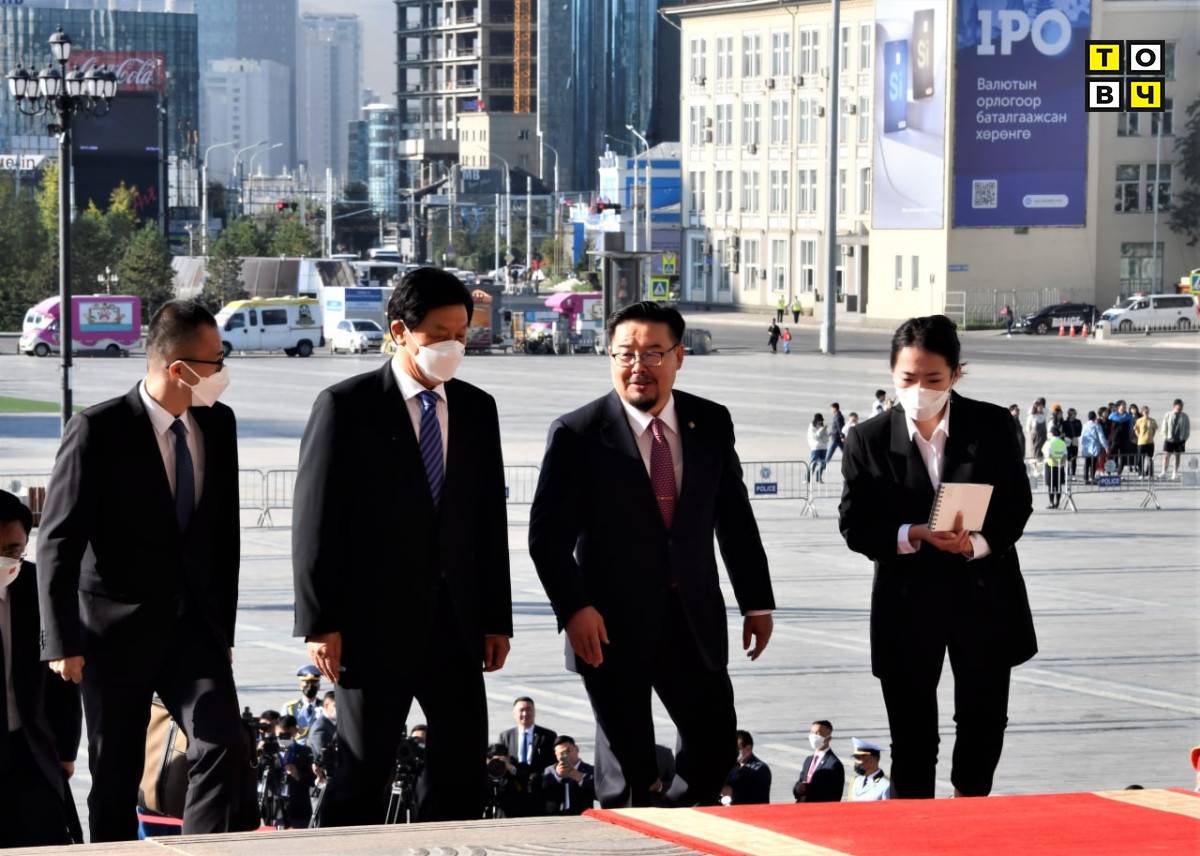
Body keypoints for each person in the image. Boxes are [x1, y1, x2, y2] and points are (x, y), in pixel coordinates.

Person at [529, 301, 775, 809]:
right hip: (608, 626)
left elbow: (734, 517)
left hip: (692, 616)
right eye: (625, 354)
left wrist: (756, 601)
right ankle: (632, 833)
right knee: (628, 766)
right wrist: (574, 608)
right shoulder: (578, 434)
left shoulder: (710, 421)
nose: (637, 365)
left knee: (713, 745)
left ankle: (680, 822)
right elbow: (546, 538)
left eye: (652, 353)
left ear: (679, 356)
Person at [293, 267, 513, 825]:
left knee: (461, 768)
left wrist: (496, 619)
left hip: (456, 622)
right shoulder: (347, 406)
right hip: (372, 627)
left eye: (461, 334)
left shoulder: (477, 408)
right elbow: (315, 521)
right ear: (399, 331)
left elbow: (487, 521)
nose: (453, 346)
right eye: (438, 334)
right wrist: (319, 622)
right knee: (363, 771)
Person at [37, 300, 251, 841]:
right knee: (115, 774)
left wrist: (221, 631)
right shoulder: (98, 429)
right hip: (113, 634)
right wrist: (61, 641)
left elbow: (223, 536)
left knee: (222, 743)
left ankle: (201, 851)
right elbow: (59, 540)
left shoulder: (217, 423)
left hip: (192, 632)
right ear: (178, 369)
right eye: (215, 361)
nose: (222, 371)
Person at [838, 315, 1036, 799]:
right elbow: (855, 525)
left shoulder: (992, 426)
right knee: (912, 736)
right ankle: (916, 825)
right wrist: (913, 534)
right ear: (892, 373)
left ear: (956, 374)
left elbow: (1016, 505)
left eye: (933, 379)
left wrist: (975, 543)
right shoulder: (867, 439)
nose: (919, 390)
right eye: (908, 378)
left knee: (983, 723)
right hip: (907, 604)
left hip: (983, 597)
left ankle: (968, 808)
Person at [0, 491, 82, 847]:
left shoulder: (39, 589)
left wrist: (66, 751)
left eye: (13, 550)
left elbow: (62, 675)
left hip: (29, 748)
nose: (4, 561)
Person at [501, 696, 558, 775]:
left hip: (540, 780)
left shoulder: (548, 736)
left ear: (534, 712)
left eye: (528, 710)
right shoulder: (506, 736)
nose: (525, 714)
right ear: (514, 714)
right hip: (514, 780)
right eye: (521, 710)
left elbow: (553, 763)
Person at [542, 735, 596, 815]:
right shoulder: (550, 770)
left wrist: (579, 777)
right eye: (561, 754)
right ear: (556, 755)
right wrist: (557, 776)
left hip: (582, 816)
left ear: (576, 749)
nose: (565, 756)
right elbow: (544, 794)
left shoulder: (591, 770)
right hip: (556, 816)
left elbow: (598, 794)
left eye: (568, 751)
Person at [793, 721, 843, 803]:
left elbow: (833, 795)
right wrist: (798, 788)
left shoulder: (833, 764)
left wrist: (807, 789)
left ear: (828, 738)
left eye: (818, 734)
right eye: (812, 732)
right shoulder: (808, 760)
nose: (814, 736)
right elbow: (801, 781)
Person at [721, 730, 771, 805]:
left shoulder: (760, 768)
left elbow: (729, 788)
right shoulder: (735, 766)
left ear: (748, 749)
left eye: (737, 749)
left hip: (753, 810)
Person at [283, 665, 323, 740]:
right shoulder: (290, 708)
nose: (310, 686)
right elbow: (283, 730)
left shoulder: (325, 707)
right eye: (307, 682)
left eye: (314, 682)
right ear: (300, 685)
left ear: (319, 686)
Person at [1162, 399, 1189, 479]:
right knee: (1166, 456)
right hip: (1169, 439)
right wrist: (1165, 437)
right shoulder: (1168, 414)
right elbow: (1164, 426)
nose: (1180, 408)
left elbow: (1187, 428)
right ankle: (1164, 472)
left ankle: (1174, 473)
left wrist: (1184, 438)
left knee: (1177, 457)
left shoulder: (1185, 416)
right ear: (1174, 406)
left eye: (1181, 407)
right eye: (1179, 407)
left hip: (1180, 440)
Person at [1042, 426, 1068, 509]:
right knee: (1058, 485)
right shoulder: (1062, 443)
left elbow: (1047, 454)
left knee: (1051, 485)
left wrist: (1055, 462)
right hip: (1060, 467)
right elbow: (1065, 455)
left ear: (1051, 433)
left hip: (1050, 466)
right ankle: (1057, 503)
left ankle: (1051, 502)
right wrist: (1061, 463)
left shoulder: (1049, 442)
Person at [1080, 411, 1108, 485]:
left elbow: (1082, 436)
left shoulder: (1085, 425)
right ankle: (1092, 478)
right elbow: (1101, 437)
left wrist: (1082, 445)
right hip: (1094, 447)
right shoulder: (1097, 426)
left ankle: (1086, 479)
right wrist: (1106, 446)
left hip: (1086, 447)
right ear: (1095, 417)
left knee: (1087, 463)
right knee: (1093, 463)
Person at [1135, 405, 1158, 478]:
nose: (1146, 412)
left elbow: (1154, 430)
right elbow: (1136, 430)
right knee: (1140, 459)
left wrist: (1151, 436)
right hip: (1141, 442)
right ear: (1142, 412)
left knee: (1150, 459)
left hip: (1150, 442)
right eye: (1145, 411)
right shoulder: (1139, 420)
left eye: (1147, 411)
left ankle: (1149, 473)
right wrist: (1139, 436)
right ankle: (1141, 473)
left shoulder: (1152, 420)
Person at [807, 413, 829, 483]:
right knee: (813, 463)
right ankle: (808, 478)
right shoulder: (812, 427)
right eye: (820, 420)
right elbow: (815, 437)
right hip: (815, 447)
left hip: (824, 447)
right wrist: (822, 430)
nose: (821, 421)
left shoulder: (822, 426)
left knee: (823, 463)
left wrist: (825, 431)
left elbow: (826, 437)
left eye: (821, 420)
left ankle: (819, 478)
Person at [1062, 407, 1083, 480]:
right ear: (1070, 414)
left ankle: (1073, 474)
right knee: (1067, 458)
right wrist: (1068, 437)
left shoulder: (1078, 422)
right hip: (1067, 440)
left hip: (1075, 439)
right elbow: (1063, 431)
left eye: (1075, 413)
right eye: (1074, 413)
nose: (1075, 414)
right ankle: (1067, 473)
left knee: (1074, 458)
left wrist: (1075, 436)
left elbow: (1080, 431)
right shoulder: (1065, 422)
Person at [826, 403, 846, 467]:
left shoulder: (838, 417)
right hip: (837, 437)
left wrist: (842, 436)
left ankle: (822, 466)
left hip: (836, 438)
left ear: (834, 408)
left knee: (829, 454)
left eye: (831, 408)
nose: (831, 410)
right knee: (845, 452)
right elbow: (836, 428)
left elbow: (840, 427)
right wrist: (831, 433)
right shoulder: (837, 415)